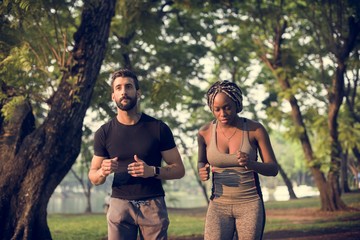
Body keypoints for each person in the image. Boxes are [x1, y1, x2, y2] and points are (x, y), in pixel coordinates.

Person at [88, 68, 185, 240]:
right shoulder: (104, 133)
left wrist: (152, 171)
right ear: (113, 96)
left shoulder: (158, 128)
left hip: (153, 204)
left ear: (138, 93)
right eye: (118, 88)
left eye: (128, 86)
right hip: (119, 205)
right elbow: (94, 177)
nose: (123, 92)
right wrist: (103, 171)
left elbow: (179, 169)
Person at [197, 80, 278, 240]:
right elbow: (201, 161)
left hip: (250, 204)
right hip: (218, 205)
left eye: (227, 107)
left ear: (237, 104)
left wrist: (251, 163)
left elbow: (273, 168)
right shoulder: (204, 133)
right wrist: (202, 170)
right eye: (217, 109)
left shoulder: (255, 130)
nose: (223, 114)